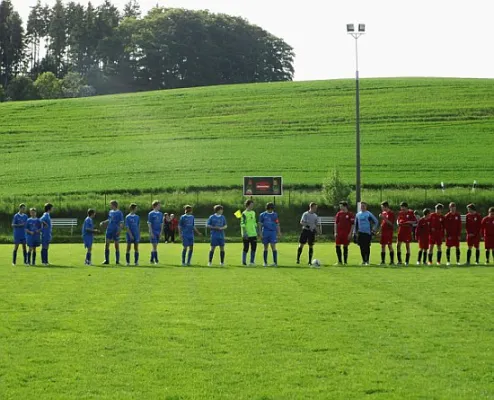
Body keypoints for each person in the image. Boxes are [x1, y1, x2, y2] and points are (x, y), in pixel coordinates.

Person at [100, 200, 124, 265]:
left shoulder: (119, 213)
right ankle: (106, 260)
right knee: (106, 244)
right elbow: (109, 220)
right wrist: (104, 222)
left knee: (116, 245)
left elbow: (121, 223)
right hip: (109, 230)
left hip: (115, 230)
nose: (110, 206)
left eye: (110, 205)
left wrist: (119, 230)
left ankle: (117, 261)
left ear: (114, 205)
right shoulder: (110, 212)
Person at [259, 202, 281, 267]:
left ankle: (275, 262)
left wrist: (279, 232)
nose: (270, 210)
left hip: (272, 232)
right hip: (265, 232)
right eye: (269, 208)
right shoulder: (262, 215)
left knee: (273, 246)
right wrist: (260, 233)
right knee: (265, 247)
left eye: (271, 208)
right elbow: (260, 224)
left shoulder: (275, 215)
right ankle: (265, 262)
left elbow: (277, 224)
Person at [396, 202, 417, 266]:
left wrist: (408, 222)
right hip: (401, 230)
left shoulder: (410, 212)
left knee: (407, 246)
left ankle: (406, 261)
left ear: (406, 207)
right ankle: (399, 261)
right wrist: (397, 223)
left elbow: (415, 221)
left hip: (407, 230)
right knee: (398, 245)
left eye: (403, 207)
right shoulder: (400, 213)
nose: (402, 208)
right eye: (401, 207)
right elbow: (398, 219)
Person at [334, 201, 354, 265]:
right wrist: (335, 232)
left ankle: (345, 262)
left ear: (345, 206)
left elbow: (352, 224)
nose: (340, 207)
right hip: (339, 233)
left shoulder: (350, 214)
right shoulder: (338, 214)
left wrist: (350, 233)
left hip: (346, 233)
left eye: (341, 206)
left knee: (345, 246)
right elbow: (336, 223)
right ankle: (339, 261)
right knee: (337, 246)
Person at [241, 200, 259, 266]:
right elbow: (242, 223)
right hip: (247, 234)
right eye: (251, 204)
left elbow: (255, 223)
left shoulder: (253, 213)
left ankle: (252, 262)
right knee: (246, 248)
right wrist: (245, 233)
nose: (252, 206)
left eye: (253, 204)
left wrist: (257, 232)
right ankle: (244, 261)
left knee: (253, 248)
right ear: (248, 205)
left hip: (253, 234)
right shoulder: (244, 213)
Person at [378, 201, 395, 265]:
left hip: (389, 232)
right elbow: (382, 223)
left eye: (382, 207)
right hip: (383, 232)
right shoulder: (383, 213)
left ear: (386, 207)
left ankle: (392, 261)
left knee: (389, 245)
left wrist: (383, 218)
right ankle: (383, 261)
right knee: (382, 246)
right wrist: (379, 231)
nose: (382, 209)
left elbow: (391, 224)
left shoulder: (391, 213)